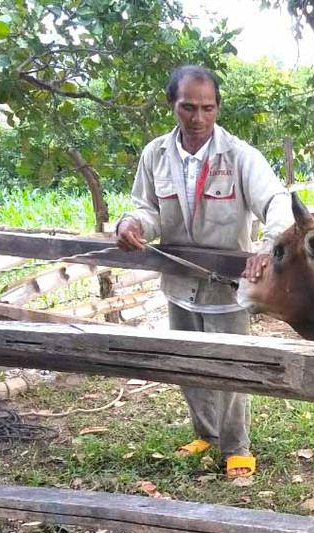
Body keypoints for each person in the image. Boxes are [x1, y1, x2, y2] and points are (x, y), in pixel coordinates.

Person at [114, 64, 292, 479]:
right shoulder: (155, 154)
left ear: (218, 108)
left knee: (231, 364)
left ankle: (236, 447)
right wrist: (132, 224)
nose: (198, 118)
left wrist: (267, 247)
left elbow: (276, 203)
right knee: (186, 362)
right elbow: (146, 208)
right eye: (188, 108)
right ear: (171, 105)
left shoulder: (240, 156)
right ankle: (205, 435)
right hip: (177, 280)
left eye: (208, 108)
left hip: (226, 285)